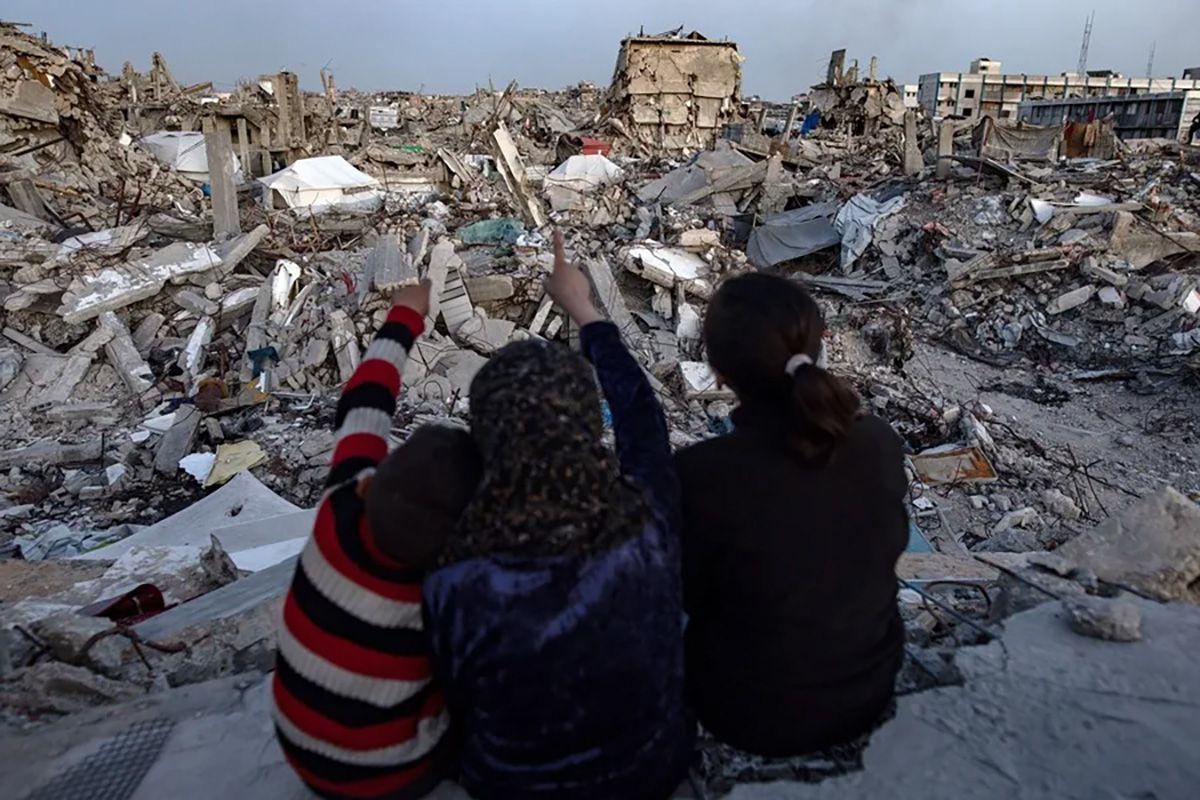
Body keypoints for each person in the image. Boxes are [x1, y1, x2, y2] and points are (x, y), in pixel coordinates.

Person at [421, 232, 693, 799]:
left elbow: (456, 691)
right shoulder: (648, 524)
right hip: (651, 772)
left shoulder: (455, 578)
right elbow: (643, 422)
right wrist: (587, 313)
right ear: (589, 427)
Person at [676, 272, 908, 758]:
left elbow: (689, 594)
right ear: (816, 346)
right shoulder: (880, 444)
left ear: (718, 372)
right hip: (867, 691)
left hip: (745, 714)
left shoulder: (704, 474)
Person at [273, 281, 482, 800]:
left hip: (297, 747)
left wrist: (403, 318)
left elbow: (363, 400)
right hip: (387, 777)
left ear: (370, 482)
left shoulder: (339, 505)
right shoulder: (438, 596)